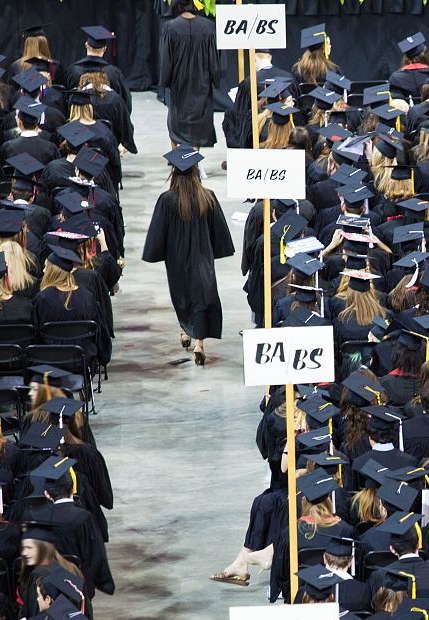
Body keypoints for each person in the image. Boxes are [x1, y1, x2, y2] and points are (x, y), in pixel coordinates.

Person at [141, 146, 234, 365]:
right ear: (196, 171)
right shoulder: (207, 197)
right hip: (202, 257)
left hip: (177, 259)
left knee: (181, 295)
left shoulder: (167, 200)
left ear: (173, 172)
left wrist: (157, 252)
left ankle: (184, 331)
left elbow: (158, 233)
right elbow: (218, 232)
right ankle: (199, 343)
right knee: (200, 299)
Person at [159, 0, 222, 150]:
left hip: (178, 81)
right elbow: (215, 58)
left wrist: (165, 80)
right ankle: (194, 157)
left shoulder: (169, 27)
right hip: (202, 80)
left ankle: (176, 156)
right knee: (198, 116)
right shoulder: (208, 26)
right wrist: (214, 78)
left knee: (176, 116)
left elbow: (165, 60)